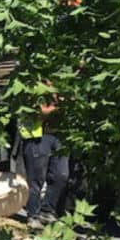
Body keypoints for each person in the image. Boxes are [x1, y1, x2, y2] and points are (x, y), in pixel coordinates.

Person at [19, 84, 69, 229]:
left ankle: (47, 210)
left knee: (61, 175)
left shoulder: (66, 87)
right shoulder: (35, 86)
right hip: (38, 136)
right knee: (36, 178)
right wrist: (64, 106)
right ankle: (33, 215)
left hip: (60, 136)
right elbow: (40, 112)